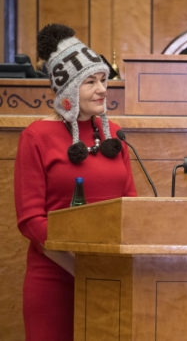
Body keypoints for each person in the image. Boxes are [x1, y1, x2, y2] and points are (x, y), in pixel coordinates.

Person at [14, 24, 137, 341]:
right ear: (67, 90)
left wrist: (103, 269)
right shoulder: (36, 137)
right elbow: (30, 220)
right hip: (54, 276)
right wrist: (80, 263)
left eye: (103, 81)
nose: (102, 90)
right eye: (90, 82)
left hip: (111, 279)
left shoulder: (116, 135)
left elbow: (132, 206)